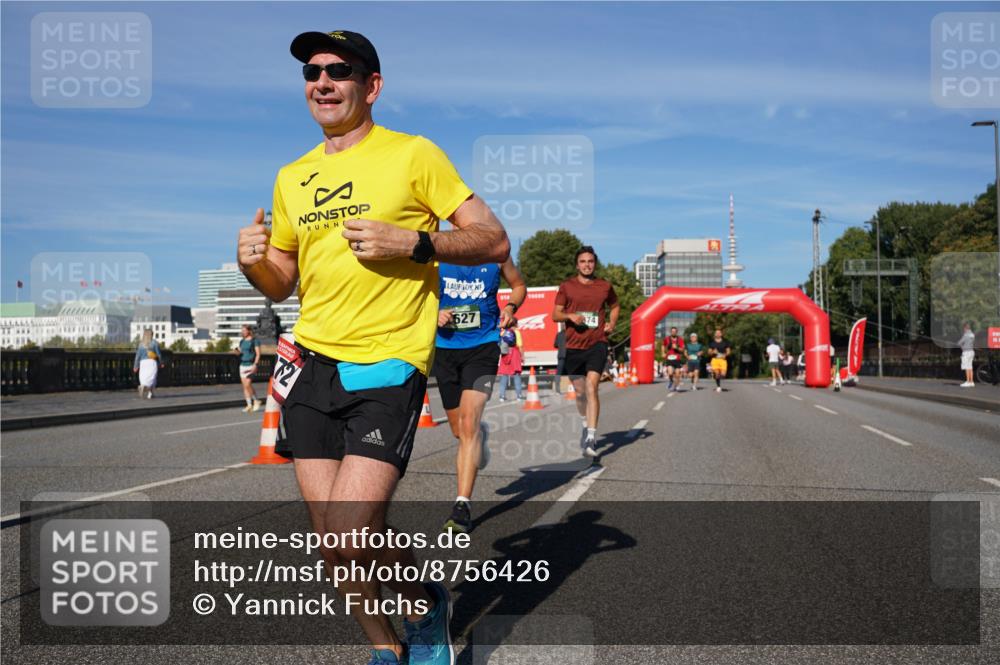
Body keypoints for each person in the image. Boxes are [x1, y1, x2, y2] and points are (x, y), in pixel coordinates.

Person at [236, 29, 510, 665]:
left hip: (387, 364)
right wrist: (252, 264)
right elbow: (282, 280)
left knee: (353, 531)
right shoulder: (293, 176)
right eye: (311, 71)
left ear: (371, 86)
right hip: (310, 366)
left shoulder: (414, 156)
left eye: (339, 70)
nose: (322, 82)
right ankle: (388, 650)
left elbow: (492, 240)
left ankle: (423, 605)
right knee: (334, 545)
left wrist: (414, 243)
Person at [434, 258, 526, 533]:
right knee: (458, 430)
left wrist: (510, 307)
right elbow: (416, 293)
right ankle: (479, 437)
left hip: (483, 346)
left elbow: (519, 285)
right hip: (445, 348)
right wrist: (435, 312)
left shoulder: (496, 254)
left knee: (468, 423)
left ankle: (462, 506)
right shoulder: (439, 254)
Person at [553, 245, 619, 459]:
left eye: (590, 261)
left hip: (597, 343)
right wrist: (570, 317)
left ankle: (591, 436)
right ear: (577, 264)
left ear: (595, 263)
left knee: (591, 387)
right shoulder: (567, 286)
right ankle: (585, 422)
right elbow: (555, 314)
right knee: (580, 392)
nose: (587, 265)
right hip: (573, 346)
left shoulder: (604, 286)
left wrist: (612, 322)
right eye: (583, 261)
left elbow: (615, 305)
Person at [236, 325, 262, 412]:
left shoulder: (254, 341)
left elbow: (258, 354)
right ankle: (249, 405)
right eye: (242, 330)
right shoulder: (242, 341)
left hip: (251, 365)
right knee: (245, 387)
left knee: (247, 384)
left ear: (249, 331)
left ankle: (256, 400)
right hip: (242, 365)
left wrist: (256, 364)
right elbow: (240, 351)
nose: (242, 332)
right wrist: (237, 352)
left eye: (244, 330)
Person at [133, 328, 163, 399]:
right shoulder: (155, 343)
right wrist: (161, 362)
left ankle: (145, 388)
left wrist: (135, 366)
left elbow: (137, 356)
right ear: (151, 335)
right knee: (152, 378)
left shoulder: (141, 344)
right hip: (152, 362)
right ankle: (150, 393)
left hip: (143, 363)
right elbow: (159, 354)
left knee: (144, 377)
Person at [497, 324, 524, 401]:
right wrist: (522, 356)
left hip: (505, 353)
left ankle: (501, 396)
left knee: (504, 376)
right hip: (514, 353)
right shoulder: (516, 332)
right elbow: (520, 345)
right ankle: (519, 396)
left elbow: (499, 343)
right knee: (516, 375)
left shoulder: (502, 332)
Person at [707, 328, 732, 393]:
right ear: (715, 334)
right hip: (715, 360)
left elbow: (729, 351)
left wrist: (725, 355)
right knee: (717, 374)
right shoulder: (712, 343)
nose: (718, 334)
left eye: (719, 333)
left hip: (723, 360)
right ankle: (718, 386)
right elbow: (709, 352)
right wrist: (713, 352)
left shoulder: (726, 342)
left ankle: (719, 378)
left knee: (723, 375)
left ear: (721, 334)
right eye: (716, 333)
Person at [662, 326, 686, 392]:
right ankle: (671, 381)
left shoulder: (680, 340)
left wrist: (677, 348)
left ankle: (676, 386)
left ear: (676, 332)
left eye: (675, 331)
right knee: (670, 373)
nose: (673, 332)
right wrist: (663, 353)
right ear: (670, 332)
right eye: (672, 331)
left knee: (677, 374)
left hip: (677, 358)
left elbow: (682, 350)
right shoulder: (667, 339)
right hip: (669, 358)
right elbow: (663, 346)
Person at [958, 322, 976, 387]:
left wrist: (962, 347)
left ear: (965, 328)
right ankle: (971, 382)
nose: (963, 330)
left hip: (966, 352)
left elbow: (959, 343)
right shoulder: (972, 334)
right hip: (971, 352)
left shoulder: (966, 335)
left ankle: (968, 381)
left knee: (966, 367)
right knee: (970, 367)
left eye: (964, 328)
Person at [553, 324, 567, 393]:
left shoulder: (558, 334)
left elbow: (555, 345)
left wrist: (560, 346)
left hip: (561, 355)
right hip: (569, 355)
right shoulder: (569, 334)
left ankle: (557, 389)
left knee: (558, 372)